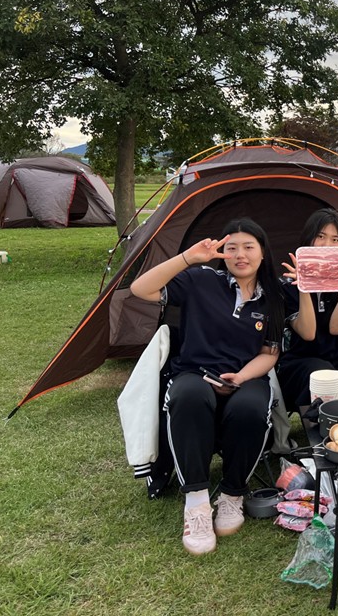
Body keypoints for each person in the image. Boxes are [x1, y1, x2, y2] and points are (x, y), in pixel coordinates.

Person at [129, 218, 285, 556]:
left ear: (262, 253)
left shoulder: (272, 296)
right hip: (194, 372)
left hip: (245, 376)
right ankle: (197, 503)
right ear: (222, 253)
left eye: (249, 247)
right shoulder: (201, 279)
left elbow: (269, 353)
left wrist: (241, 377)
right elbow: (141, 289)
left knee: (251, 407)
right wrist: (188, 257)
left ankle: (232, 494)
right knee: (187, 395)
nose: (240, 255)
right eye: (232, 248)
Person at [276, 208, 338, 409]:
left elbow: (336, 328)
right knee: (321, 372)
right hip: (302, 357)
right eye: (320, 236)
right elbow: (307, 333)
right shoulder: (288, 284)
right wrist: (304, 286)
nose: (326, 245)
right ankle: (319, 426)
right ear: (308, 239)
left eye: (335, 239)